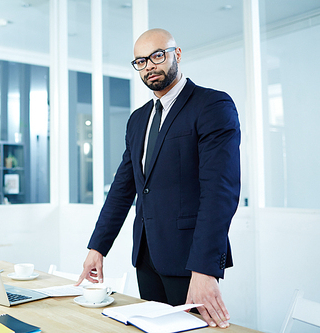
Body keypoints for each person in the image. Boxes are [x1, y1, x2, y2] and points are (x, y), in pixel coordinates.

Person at [76, 28, 241, 329]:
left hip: (189, 261)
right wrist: (96, 248)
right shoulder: (138, 119)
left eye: (157, 56)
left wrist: (205, 269)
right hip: (147, 257)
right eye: (140, 61)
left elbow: (220, 192)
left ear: (176, 54)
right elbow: (123, 189)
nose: (149, 66)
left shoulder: (212, 106)